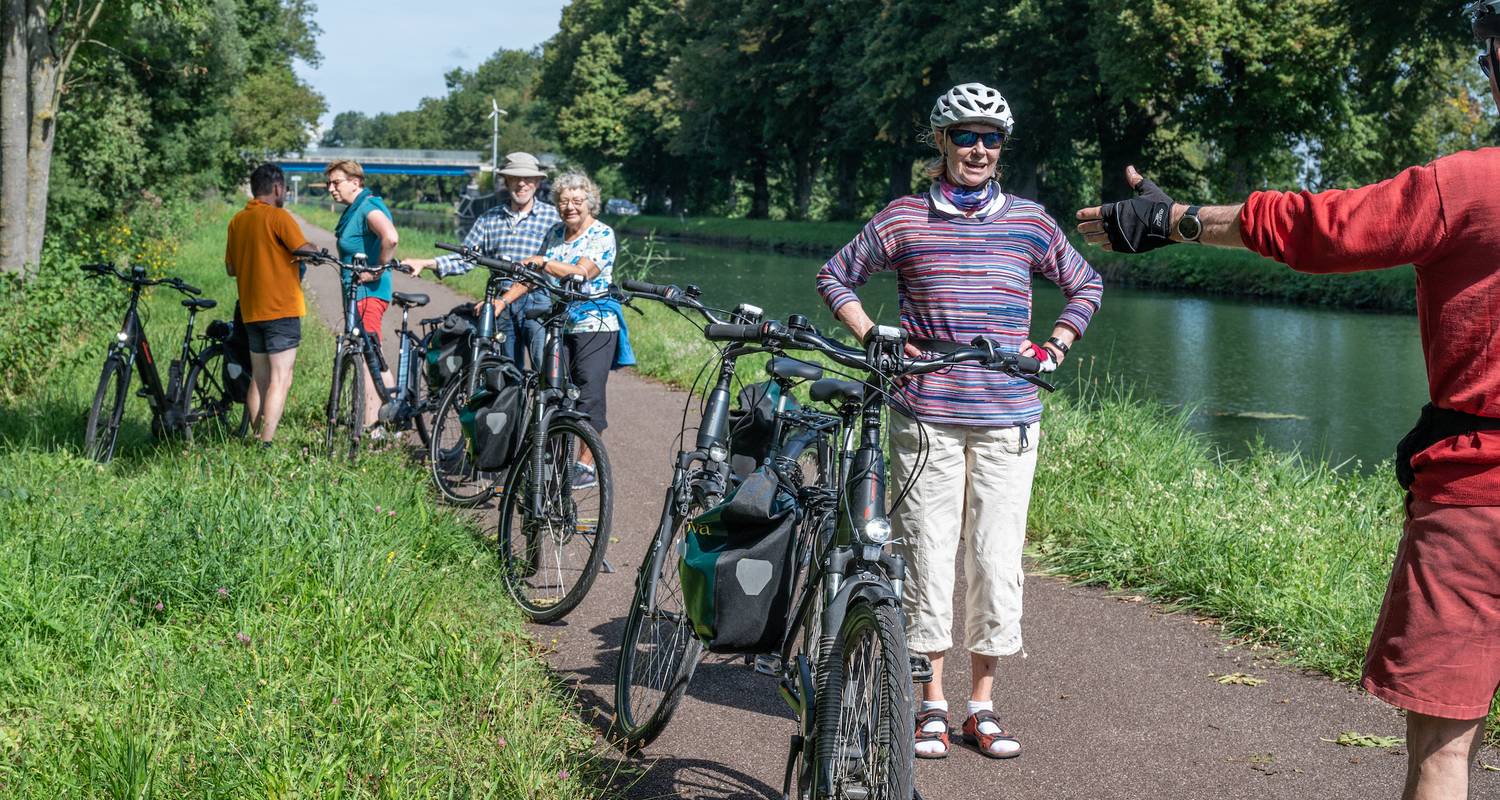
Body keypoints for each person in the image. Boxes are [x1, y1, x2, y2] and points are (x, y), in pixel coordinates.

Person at [1075, 5, 1500, 797]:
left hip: (1479, 502)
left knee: (1445, 751)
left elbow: (1325, 230)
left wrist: (1176, 220)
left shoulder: (1473, 185)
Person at [817, 82, 1103, 760]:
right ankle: (931, 704)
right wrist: (873, 336)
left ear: (1003, 146)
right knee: (925, 554)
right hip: (926, 414)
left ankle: (983, 706)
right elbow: (836, 275)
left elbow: (1085, 283)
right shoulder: (904, 217)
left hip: (1009, 416)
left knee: (995, 560)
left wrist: (1055, 343)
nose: (978, 149)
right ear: (941, 141)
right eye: (965, 136)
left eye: (991, 138)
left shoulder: (1031, 221)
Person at [513, 170, 633, 487]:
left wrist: (541, 262)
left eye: (577, 201)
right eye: (564, 201)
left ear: (589, 203)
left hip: (596, 325)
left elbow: (581, 272)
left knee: (588, 393)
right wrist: (500, 302)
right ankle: (551, 455)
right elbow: (531, 279)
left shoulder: (602, 234)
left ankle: (586, 464)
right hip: (561, 323)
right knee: (554, 391)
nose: (570, 207)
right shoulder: (554, 233)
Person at [407, 152, 561, 367]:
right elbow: (466, 257)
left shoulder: (553, 218)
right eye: (515, 178)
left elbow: (560, 263)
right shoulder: (490, 218)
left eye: (528, 179)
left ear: (537, 182)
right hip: (501, 304)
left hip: (538, 301)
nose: (521, 184)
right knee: (506, 371)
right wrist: (426, 263)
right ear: (506, 181)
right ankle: (513, 400)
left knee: (544, 369)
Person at [224, 163, 314, 446]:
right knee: (280, 378)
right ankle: (266, 443)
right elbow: (302, 249)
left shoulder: (238, 220)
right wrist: (314, 251)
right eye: (284, 188)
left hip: (251, 309)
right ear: (277, 188)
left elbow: (230, 269)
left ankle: (254, 436)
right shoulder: (278, 217)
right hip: (281, 309)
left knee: (259, 378)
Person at [324, 159, 399, 434]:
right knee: (373, 353)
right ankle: (391, 414)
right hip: (358, 294)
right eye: (329, 183)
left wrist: (378, 269)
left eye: (336, 182)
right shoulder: (355, 209)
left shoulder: (368, 206)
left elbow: (390, 237)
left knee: (367, 355)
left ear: (355, 182)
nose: (331, 188)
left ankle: (371, 424)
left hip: (368, 293)